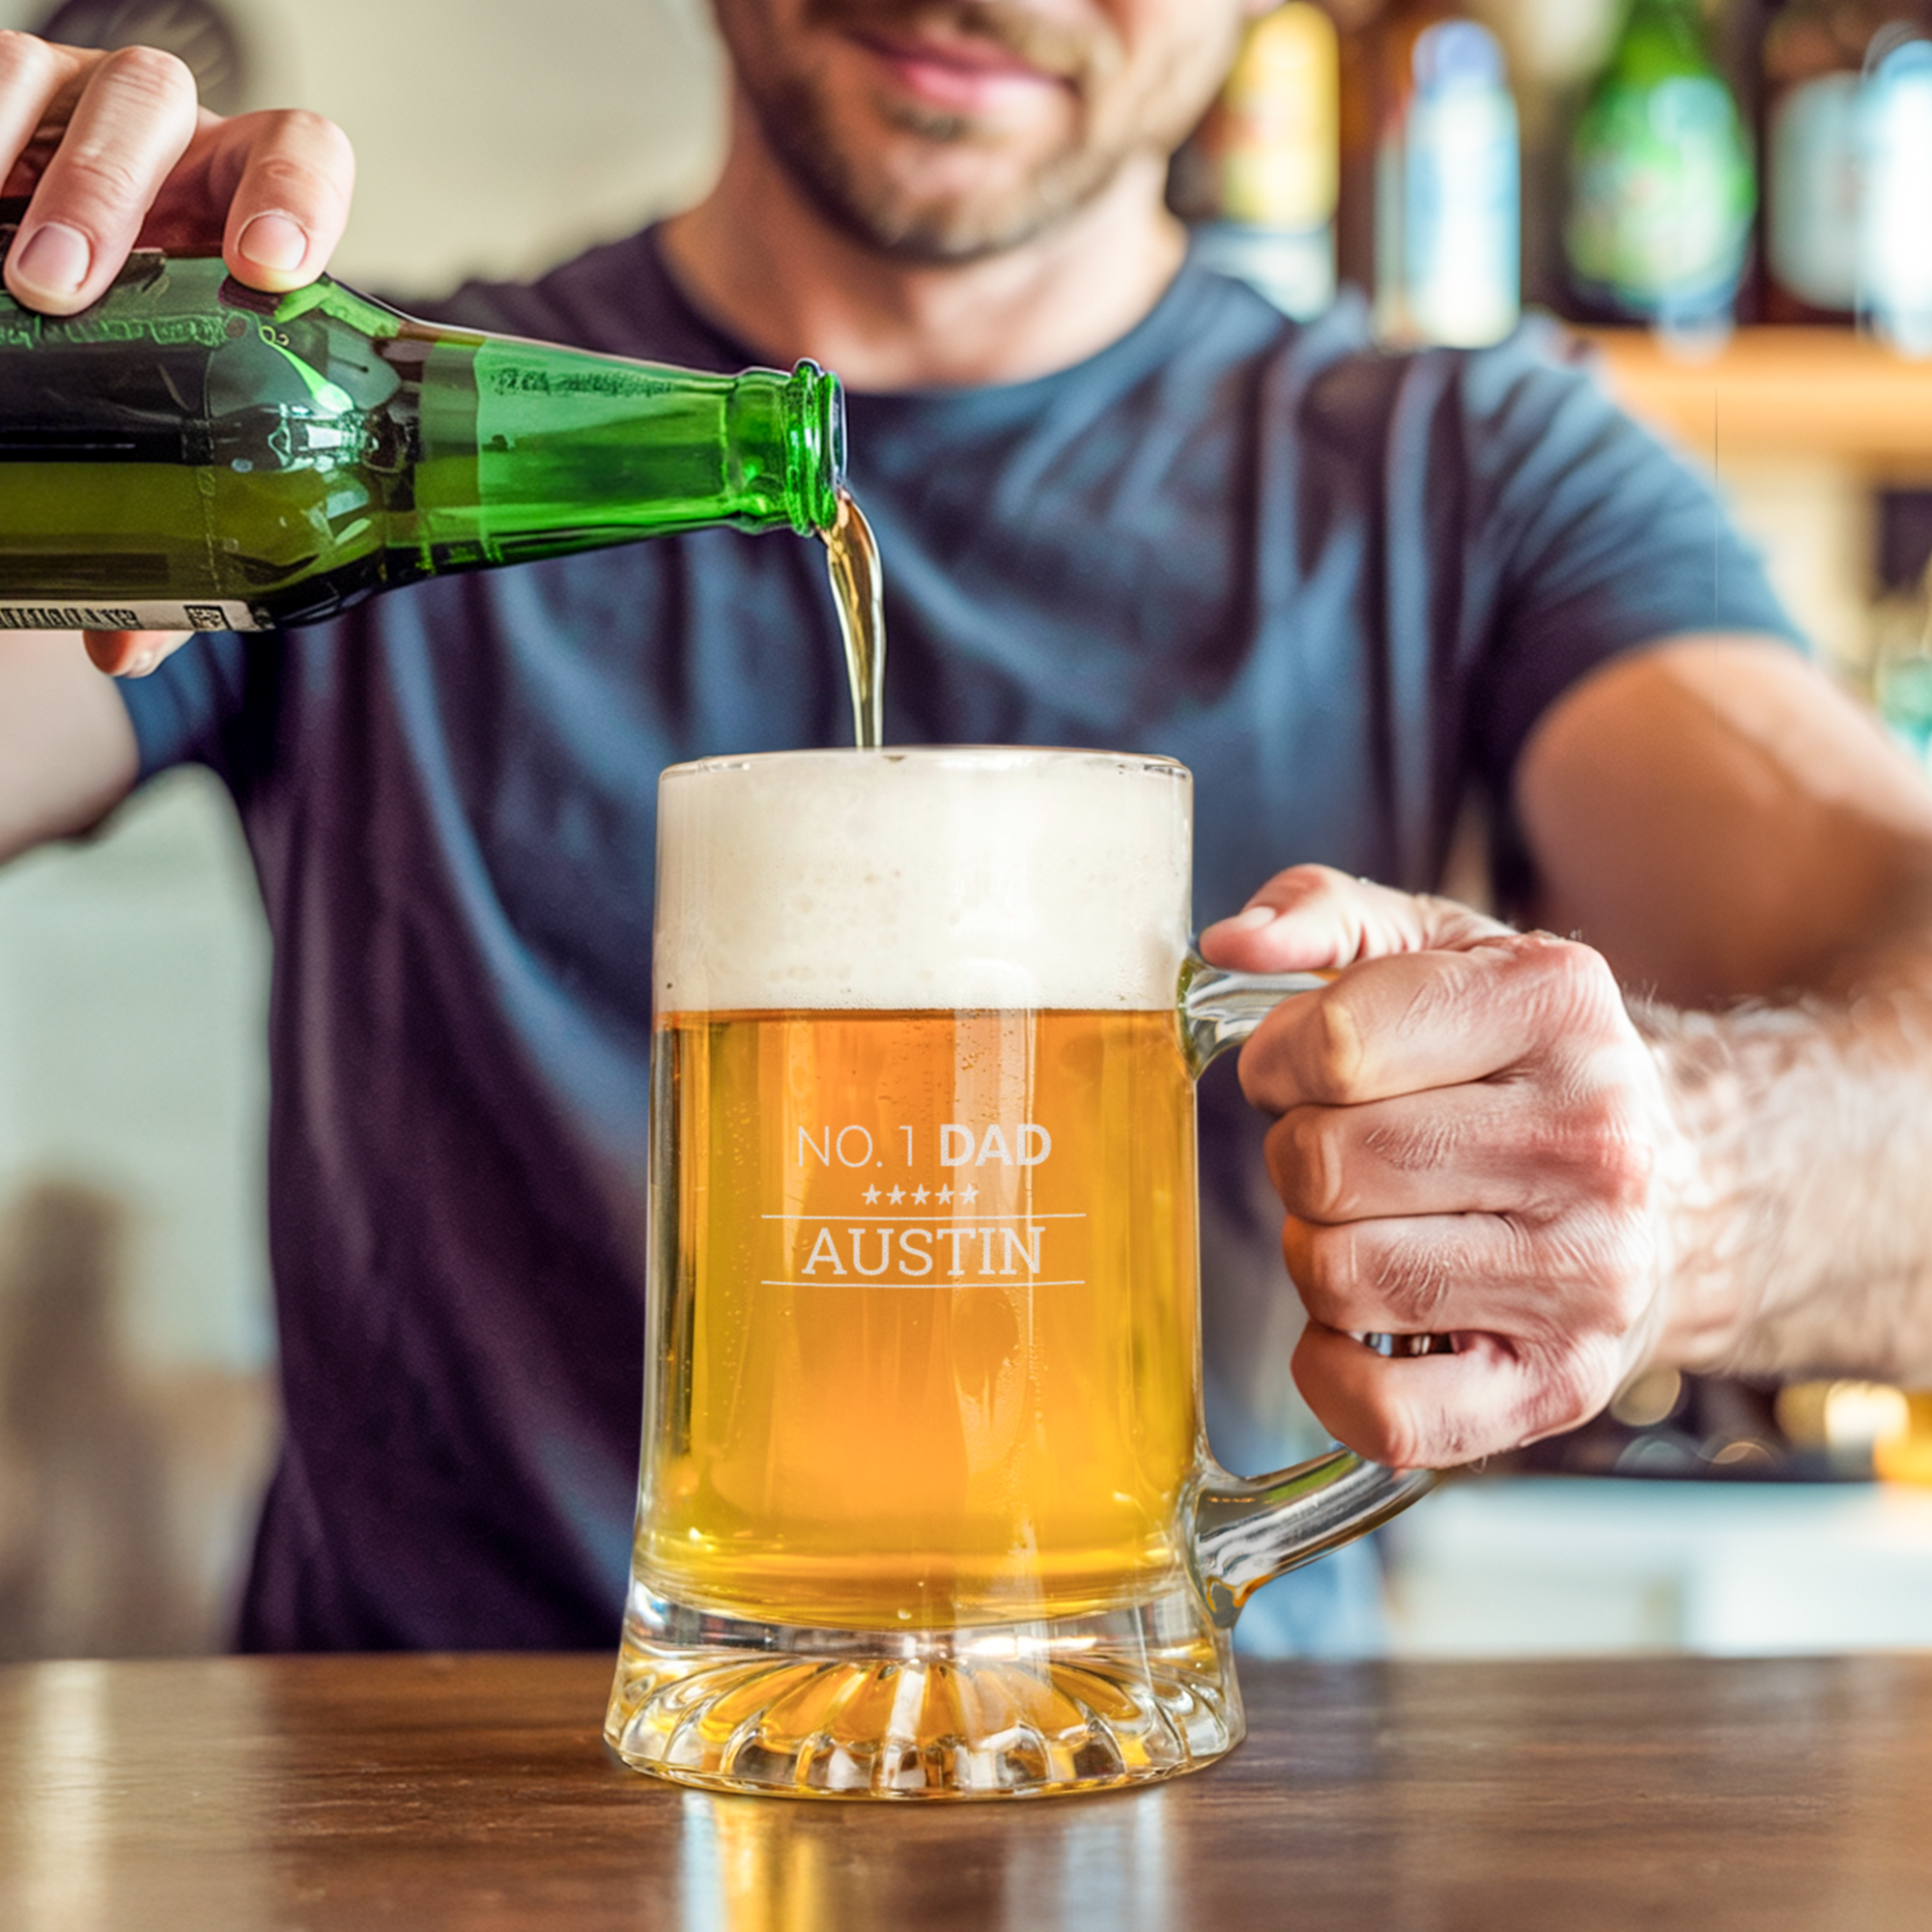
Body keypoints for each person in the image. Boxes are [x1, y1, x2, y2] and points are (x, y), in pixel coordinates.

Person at [3, 1, 1932, 1657]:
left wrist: (1705, 1173)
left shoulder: (1468, 476)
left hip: (1178, 1822)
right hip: (419, 1838)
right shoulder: (347, 444)